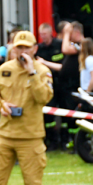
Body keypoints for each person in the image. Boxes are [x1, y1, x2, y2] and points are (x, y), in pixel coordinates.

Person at [0, 31, 52, 185]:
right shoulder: (4, 69)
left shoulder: (43, 71)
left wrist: (32, 73)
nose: (22, 51)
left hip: (30, 137)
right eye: (18, 47)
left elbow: (44, 97)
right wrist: (1, 105)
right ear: (13, 48)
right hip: (4, 136)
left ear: (35, 49)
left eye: (26, 47)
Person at [35, 22, 65, 150]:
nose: (43, 37)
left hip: (62, 83)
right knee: (48, 115)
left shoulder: (59, 45)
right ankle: (51, 141)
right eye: (41, 34)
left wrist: (45, 63)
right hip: (47, 84)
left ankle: (65, 141)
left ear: (50, 33)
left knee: (65, 112)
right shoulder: (39, 48)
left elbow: (64, 66)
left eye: (45, 34)